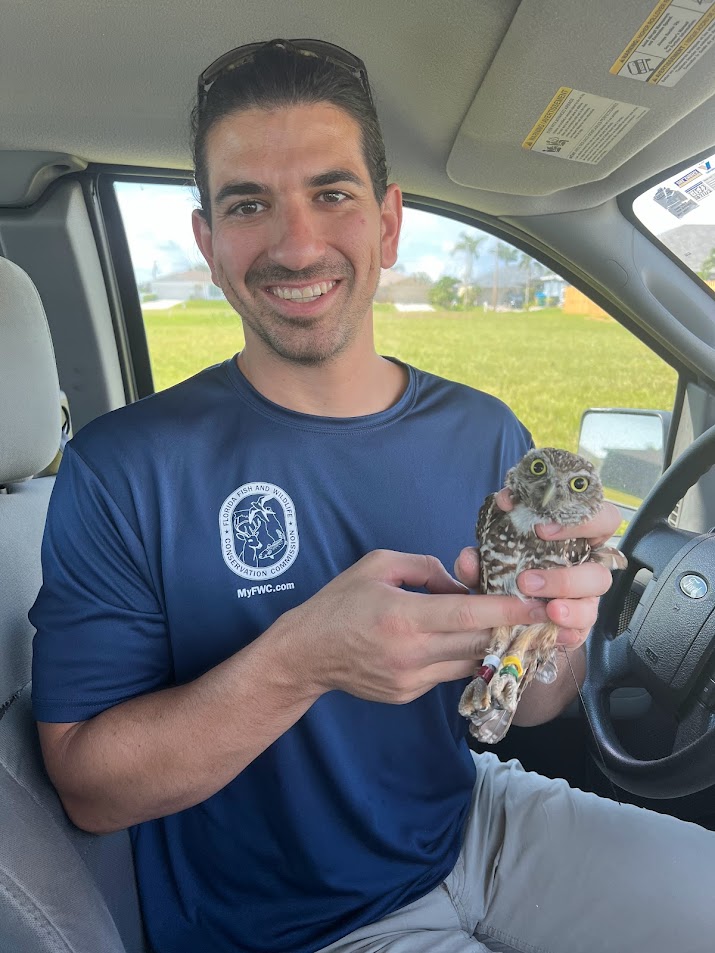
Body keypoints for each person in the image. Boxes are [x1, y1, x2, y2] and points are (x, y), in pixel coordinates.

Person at [30, 38, 715, 953]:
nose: (296, 242)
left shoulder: (486, 433)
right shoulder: (122, 469)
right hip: (289, 923)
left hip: (474, 814)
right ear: (207, 239)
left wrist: (552, 630)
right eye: (247, 203)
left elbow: (535, 699)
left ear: (388, 222)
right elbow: (86, 783)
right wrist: (301, 659)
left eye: (332, 193)